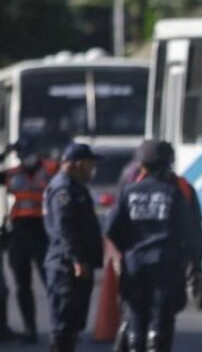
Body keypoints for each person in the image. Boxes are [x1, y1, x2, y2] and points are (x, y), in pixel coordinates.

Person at [105, 140, 202, 352]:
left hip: (135, 265)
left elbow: (111, 228)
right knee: (162, 320)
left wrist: (128, 252)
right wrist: (197, 265)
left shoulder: (129, 192)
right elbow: (191, 232)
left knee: (137, 316)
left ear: (142, 165)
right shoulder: (175, 193)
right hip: (166, 264)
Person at [43, 143, 104, 352]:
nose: (92, 169)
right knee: (63, 327)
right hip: (65, 267)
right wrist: (76, 259)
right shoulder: (63, 189)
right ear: (77, 164)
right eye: (90, 164)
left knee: (73, 327)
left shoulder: (75, 186)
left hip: (74, 266)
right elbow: (63, 229)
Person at [0, 139, 59, 343]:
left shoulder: (51, 168)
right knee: (22, 285)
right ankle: (30, 329)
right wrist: (4, 154)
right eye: (23, 155)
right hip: (19, 233)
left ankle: (60, 328)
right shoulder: (12, 173)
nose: (28, 158)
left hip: (43, 230)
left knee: (51, 281)